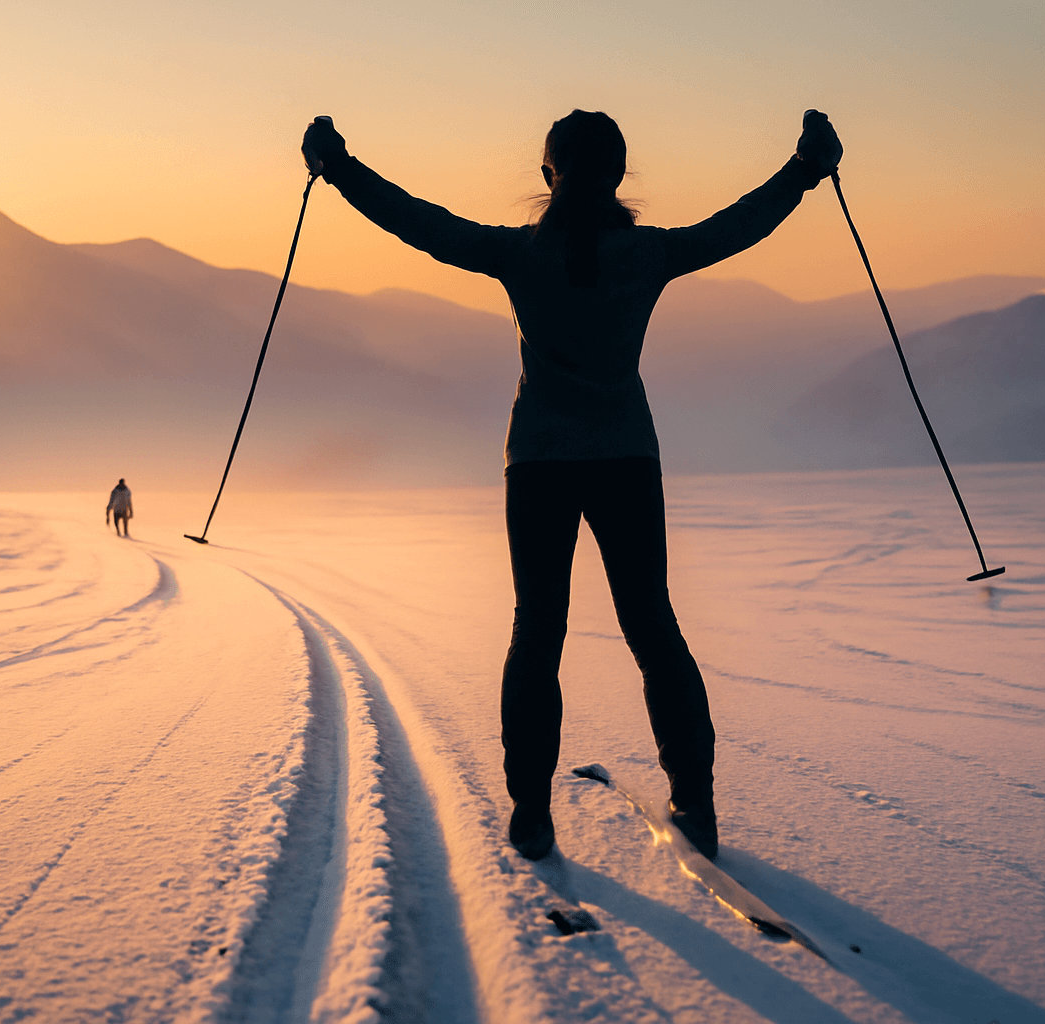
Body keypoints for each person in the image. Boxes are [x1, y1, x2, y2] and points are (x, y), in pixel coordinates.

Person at [302, 109, 842, 861]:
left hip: (538, 464)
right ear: (619, 175)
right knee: (653, 628)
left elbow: (418, 223)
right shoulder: (647, 255)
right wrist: (806, 169)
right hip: (626, 458)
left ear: (547, 174)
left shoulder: (519, 254)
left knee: (538, 629)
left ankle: (530, 814)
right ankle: (697, 806)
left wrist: (338, 167)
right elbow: (736, 226)